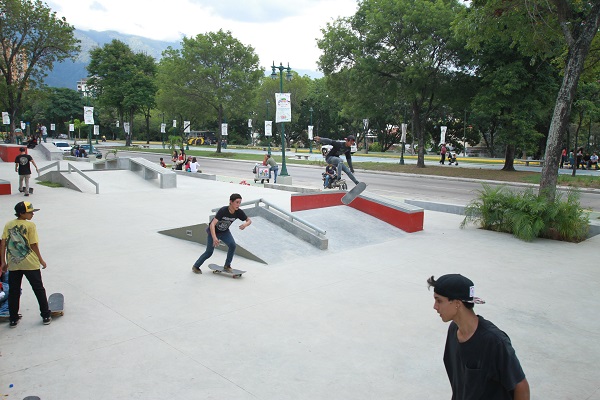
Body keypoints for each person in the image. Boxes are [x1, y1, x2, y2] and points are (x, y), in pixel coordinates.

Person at [427, 274, 530, 400]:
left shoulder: (494, 341)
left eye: (439, 301)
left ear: (457, 303)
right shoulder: (454, 330)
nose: (435, 306)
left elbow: (521, 387)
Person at [0, 201, 52, 327]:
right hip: (30, 264)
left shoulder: (8, 224)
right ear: (22, 213)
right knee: (38, 289)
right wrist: (41, 260)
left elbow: (3, 244)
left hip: (14, 264)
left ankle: (13, 318)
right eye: (30, 212)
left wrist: (3, 262)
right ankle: (45, 315)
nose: (32, 214)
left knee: (14, 291)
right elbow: (33, 244)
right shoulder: (31, 226)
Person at [192, 193, 252, 274]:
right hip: (213, 232)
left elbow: (249, 220)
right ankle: (196, 266)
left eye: (240, 202)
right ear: (231, 201)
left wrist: (245, 224)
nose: (238, 205)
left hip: (225, 232)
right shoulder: (223, 210)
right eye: (237, 202)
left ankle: (227, 265)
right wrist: (214, 238)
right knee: (209, 252)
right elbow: (212, 224)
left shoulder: (239, 212)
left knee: (232, 245)